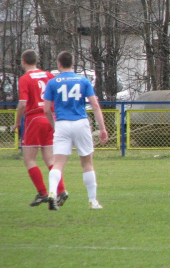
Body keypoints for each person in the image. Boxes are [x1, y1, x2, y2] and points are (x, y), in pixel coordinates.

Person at [43, 51, 108, 211]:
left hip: (62, 123)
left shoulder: (53, 82)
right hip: (80, 122)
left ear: (59, 64)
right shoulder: (83, 80)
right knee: (87, 163)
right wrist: (102, 128)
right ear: (73, 63)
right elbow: (95, 105)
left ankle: (52, 192)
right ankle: (92, 201)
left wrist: (54, 125)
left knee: (58, 163)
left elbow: (46, 110)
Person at [13, 49, 69, 207]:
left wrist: (17, 122)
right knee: (50, 159)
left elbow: (23, 103)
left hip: (34, 119)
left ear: (23, 61)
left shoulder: (25, 79)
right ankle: (61, 190)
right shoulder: (49, 75)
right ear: (36, 61)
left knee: (29, 159)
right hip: (50, 118)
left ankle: (42, 192)